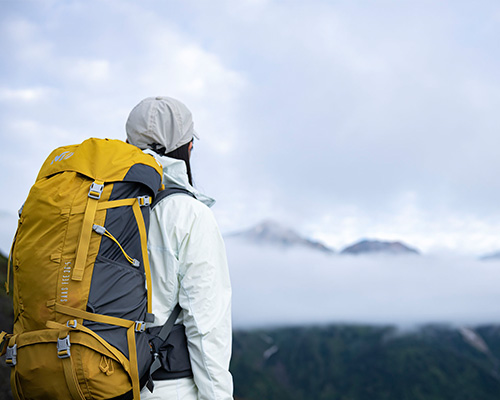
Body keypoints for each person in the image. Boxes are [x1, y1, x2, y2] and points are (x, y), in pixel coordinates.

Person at [126, 96, 234, 400]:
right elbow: (206, 326)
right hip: (164, 387)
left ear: (128, 143)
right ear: (187, 148)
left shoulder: (97, 206)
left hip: (92, 380)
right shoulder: (189, 213)